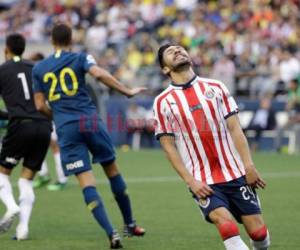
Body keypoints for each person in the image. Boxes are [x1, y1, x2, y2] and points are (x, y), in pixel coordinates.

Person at [32, 23, 145, 249]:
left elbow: (39, 106)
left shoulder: (39, 68)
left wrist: (59, 115)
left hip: (66, 127)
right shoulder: (81, 57)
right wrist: (127, 91)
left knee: (86, 183)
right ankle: (130, 224)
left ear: (52, 40)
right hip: (89, 120)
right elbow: (99, 74)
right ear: (70, 39)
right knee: (112, 170)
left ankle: (111, 233)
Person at [153, 44, 270, 250]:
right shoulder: (163, 101)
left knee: (259, 235)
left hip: (235, 172)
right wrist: (191, 182)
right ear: (165, 69)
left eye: (180, 49)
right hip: (203, 180)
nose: (178, 51)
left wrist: (249, 166)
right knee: (227, 228)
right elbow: (168, 147)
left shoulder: (216, 87)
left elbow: (235, 129)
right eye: (171, 52)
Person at [0, 34, 52, 240]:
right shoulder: (36, 67)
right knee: (26, 180)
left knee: (3, 173)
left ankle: (11, 206)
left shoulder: (2, 70)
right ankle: (23, 230)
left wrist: (9, 115)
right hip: (44, 126)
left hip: (21, 126)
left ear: (7, 49)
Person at [28, 52, 68, 191]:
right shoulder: (37, 75)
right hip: (41, 115)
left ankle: (62, 179)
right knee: (35, 145)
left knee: (55, 145)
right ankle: (44, 175)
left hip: (50, 114)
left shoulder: (45, 75)